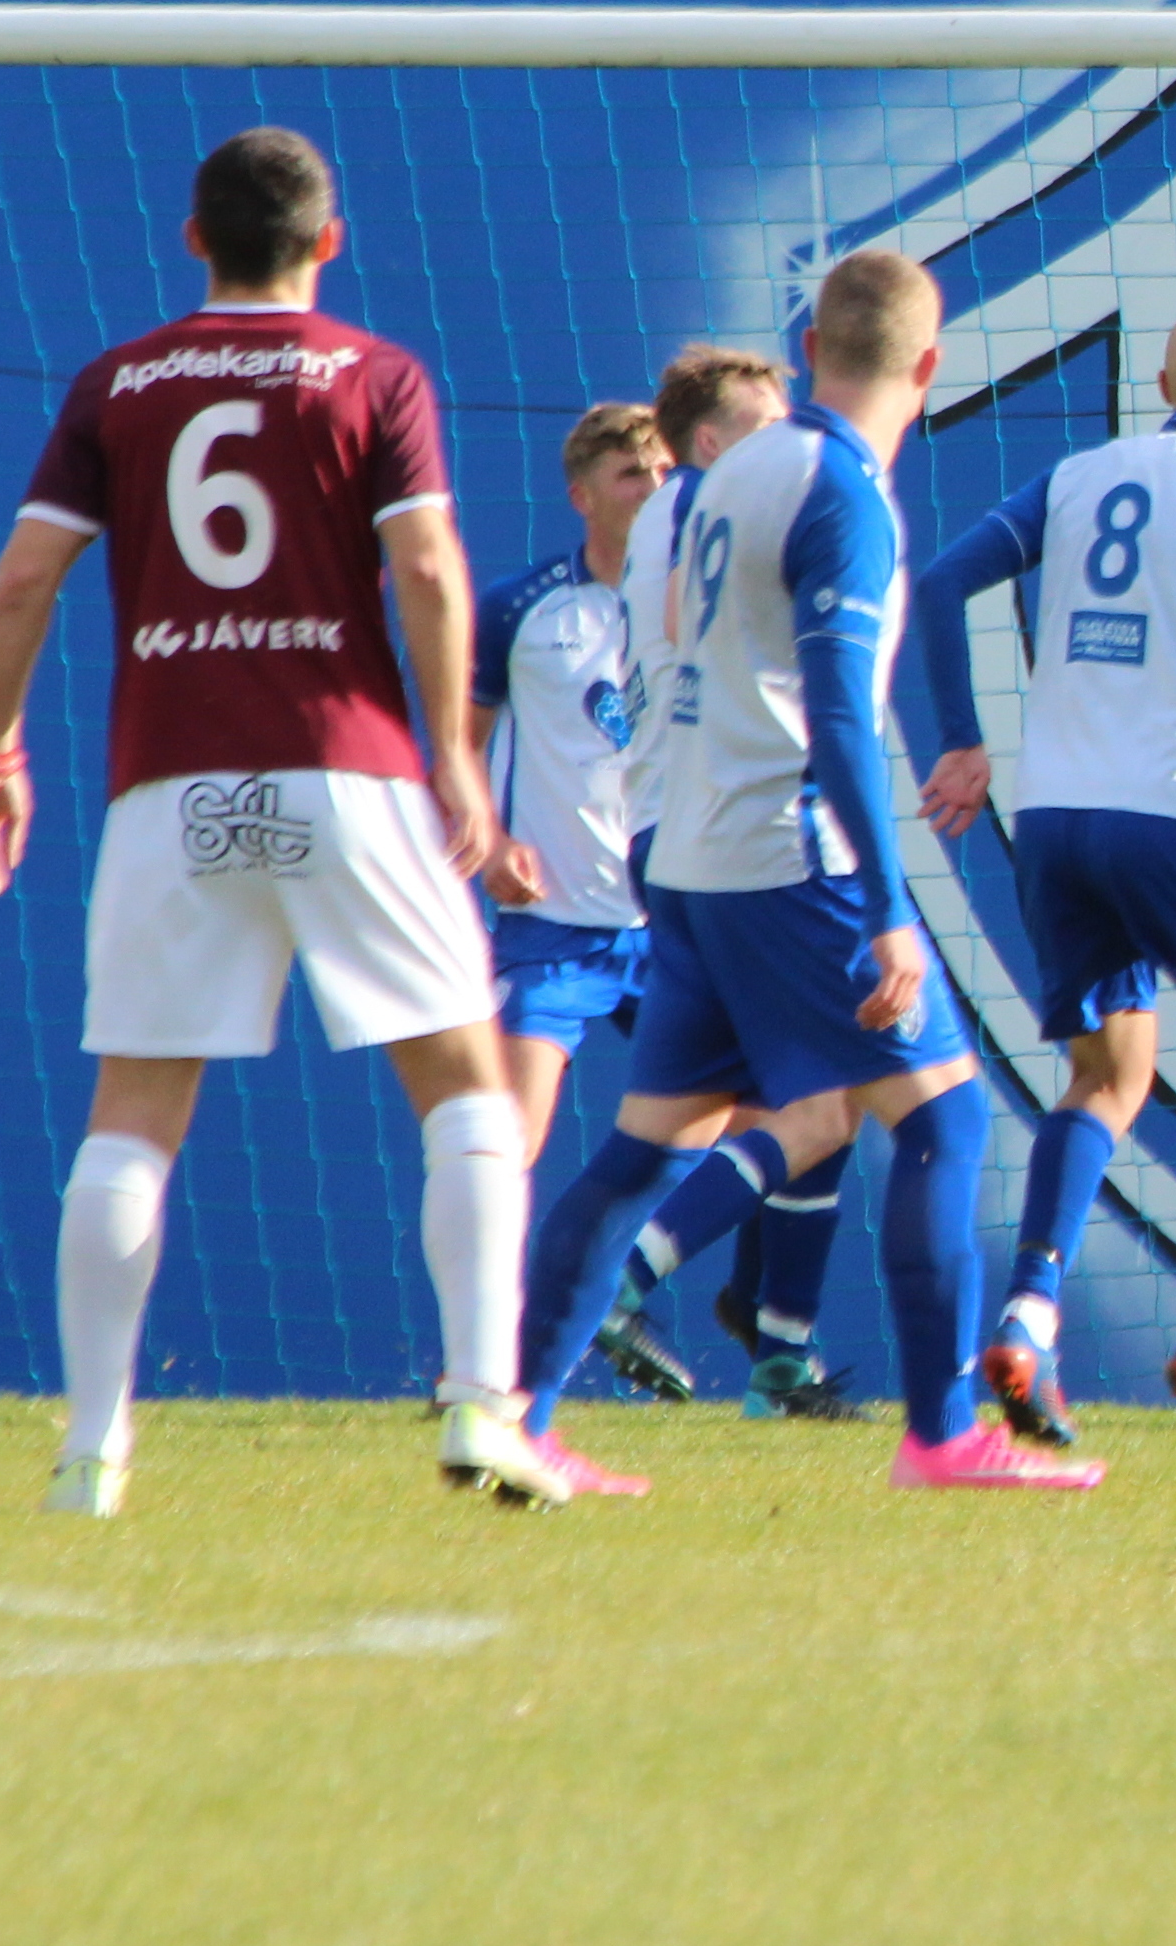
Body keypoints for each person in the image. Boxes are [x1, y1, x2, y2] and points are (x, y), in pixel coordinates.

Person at [0, 126, 562, 1514]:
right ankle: (482, 1405)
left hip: (170, 786)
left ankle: (90, 1448)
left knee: (132, 1117)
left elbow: (22, 579)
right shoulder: (374, 373)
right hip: (349, 775)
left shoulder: (119, 381)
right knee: (465, 1087)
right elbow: (427, 564)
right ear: (330, 241)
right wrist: (458, 758)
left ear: (193, 239)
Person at [510, 250, 1100, 1491]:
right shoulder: (844, 488)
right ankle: (940, 1434)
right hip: (788, 856)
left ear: (813, 345)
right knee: (945, 1117)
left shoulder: (726, 473)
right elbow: (834, 711)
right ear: (930, 365)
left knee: (645, 1148)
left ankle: (511, 1414)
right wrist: (885, 909)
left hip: (684, 852)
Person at [915, 301, 1176, 1453]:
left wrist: (960, 740)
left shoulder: (1077, 473)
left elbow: (941, 580)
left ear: (1159, 383)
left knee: (1107, 1073)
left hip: (1055, 818)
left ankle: (1027, 1314)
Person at [575, 345, 868, 1420]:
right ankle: (627, 1282)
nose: (787, 438)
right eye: (763, 420)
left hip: (678, 828)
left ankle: (778, 1346)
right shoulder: (715, 503)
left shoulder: (677, 512)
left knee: (791, 1101)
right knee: (830, 1096)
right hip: (736, 830)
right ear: (708, 440)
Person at [467, 402, 669, 1165]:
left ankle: (653, 1241)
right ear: (583, 496)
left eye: (665, 469)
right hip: (551, 924)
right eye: (631, 474)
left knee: (761, 1127)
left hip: (676, 922)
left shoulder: (705, 602)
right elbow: (458, 747)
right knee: (507, 1142)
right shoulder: (520, 608)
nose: (654, 486)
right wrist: (489, 843)